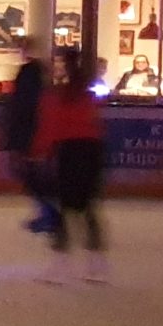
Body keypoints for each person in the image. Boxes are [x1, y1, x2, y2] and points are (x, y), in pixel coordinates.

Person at [36, 50, 108, 282]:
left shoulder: (56, 94)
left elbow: (50, 126)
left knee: (64, 209)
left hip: (69, 151)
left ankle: (60, 265)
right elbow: (94, 122)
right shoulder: (87, 91)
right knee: (87, 207)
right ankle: (96, 264)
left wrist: (39, 154)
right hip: (91, 150)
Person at [4, 36, 58, 235]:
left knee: (31, 175)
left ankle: (50, 213)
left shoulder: (30, 72)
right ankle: (49, 212)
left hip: (30, 133)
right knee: (32, 175)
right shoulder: (38, 73)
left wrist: (15, 133)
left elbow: (22, 106)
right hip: (32, 132)